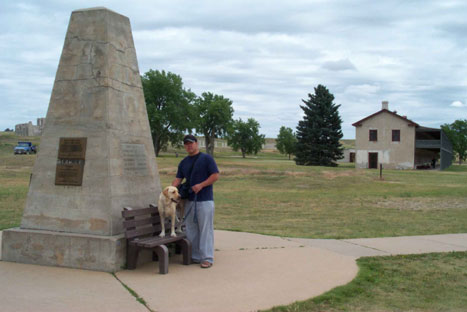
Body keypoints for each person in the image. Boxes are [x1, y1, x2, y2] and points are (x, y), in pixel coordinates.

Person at [172, 134, 219, 268]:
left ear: (197, 143)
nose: (189, 146)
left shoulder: (207, 159)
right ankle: (195, 256)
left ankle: (207, 258)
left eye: (191, 143)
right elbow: (178, 179)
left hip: (204, 200)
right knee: (191, 229)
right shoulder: (183, 162)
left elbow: (215, 175)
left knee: (205, 229)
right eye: (186, 144)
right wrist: (170, 191)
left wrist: (201, 185)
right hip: (190, 201)